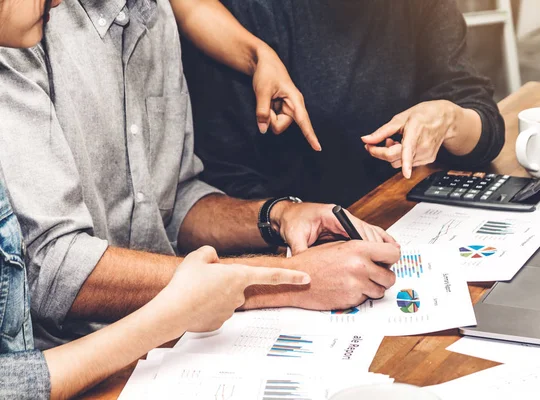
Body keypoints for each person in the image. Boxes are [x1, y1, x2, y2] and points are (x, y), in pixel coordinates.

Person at [0, 0, 399, 357]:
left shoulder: (157, 18)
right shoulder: (20, 26)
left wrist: (280, 217)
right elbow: (51, 268)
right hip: (73, 360)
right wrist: (283, 282)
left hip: (175, 342)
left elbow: (174, 201)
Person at [183, 0, 507, 207]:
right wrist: (289, 220)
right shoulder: (247, 14)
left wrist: (450, 121)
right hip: (293, 247)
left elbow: (485, 129)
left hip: (400, 215)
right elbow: (224, 181)